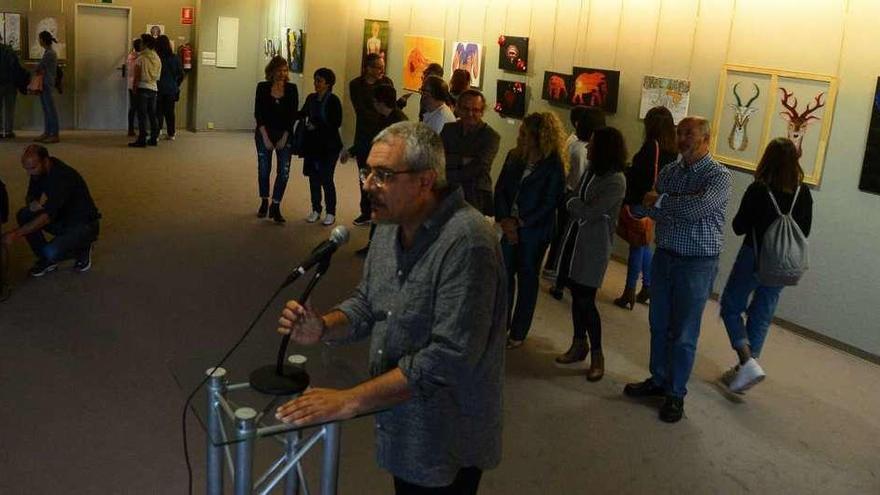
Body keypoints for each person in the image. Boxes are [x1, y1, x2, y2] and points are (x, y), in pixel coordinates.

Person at [274, 122, 506, 495]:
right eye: (368, 172)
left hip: (445, 435)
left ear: (425, 181)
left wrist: (351, 400)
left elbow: (449, 359)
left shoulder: (468, 243)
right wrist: (324, 327)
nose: (367, 184)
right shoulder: (388, 225)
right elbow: (369, 301)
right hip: (401, 419)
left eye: (383, 175)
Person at [623, 116, 732, 423]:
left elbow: (697, 209)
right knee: (658, 325)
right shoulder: (671, 171)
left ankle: (675, 393)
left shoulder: (718, 176)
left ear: (706, 138)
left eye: (689, 133)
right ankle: (658, 380)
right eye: (679, 133)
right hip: (664, 258)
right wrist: (653, 203)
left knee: (684, 333)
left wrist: (661, 201)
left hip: (697, 264)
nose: (681, 138)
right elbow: (647, 208)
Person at [719, 137, 813, 393]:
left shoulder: (759, 189)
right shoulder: (802, 192)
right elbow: (805, 230)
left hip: (754, 257)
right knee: (762, 313)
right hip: (783, 264)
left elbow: (739, 227)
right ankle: (744, 370)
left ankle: (747, 361)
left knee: (730, 306)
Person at [553, 127, 627, 381]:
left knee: (587, 300)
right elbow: (575, 199)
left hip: (595, 246)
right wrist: (576, 204)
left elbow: (588, 211)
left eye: (592, 143)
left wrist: (574, 204)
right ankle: (578, 343)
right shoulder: (592, 170)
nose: (587, 147)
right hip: (577, 238)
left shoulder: (616, 180)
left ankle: (597, 354)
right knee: (576, 295)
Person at [494, 112, 566, 349]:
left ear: (540, 137)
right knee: (504, 276)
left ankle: (518, 331)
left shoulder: (553, 165)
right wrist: (505, 219)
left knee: (527, 277)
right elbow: (501, 188)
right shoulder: (514, 156)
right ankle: (500, 326)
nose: (520, 136)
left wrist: (520, 223)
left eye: (526, 134)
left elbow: (549, 203)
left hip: (534, 230)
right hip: (510, 225)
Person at [612, 106, 679, 309]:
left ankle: (629, 291)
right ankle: (647, 287)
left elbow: (640, 175)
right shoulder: (672, 148)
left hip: (641, 200)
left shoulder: (652, 146)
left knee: (637, 244)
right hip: (656, 202)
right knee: (644, 242)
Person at [1, 145, 100, 277]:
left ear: (45, 161)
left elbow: (47, 217)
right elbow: (31, 195)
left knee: (51, 252)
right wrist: (31, 203)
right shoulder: (39, 171)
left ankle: (82, 248)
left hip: (83, 224)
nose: (29, 173)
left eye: (32, 168)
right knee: (24, 215)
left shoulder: (62, 177)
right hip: (61, 216)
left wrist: (15, 234)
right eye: (27, 169)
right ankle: (48, 261)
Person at [545, 106, 606, 298]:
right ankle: (558, 274)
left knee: (562, 237)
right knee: (566, 240)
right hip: (573, 198)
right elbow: (579, 179)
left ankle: (553, 268)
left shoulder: (574, 142)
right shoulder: (581, 150)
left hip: (570, 196)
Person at [354, 84, 410, 257]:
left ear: (379, 102)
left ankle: (382, 248)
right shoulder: (384, 118)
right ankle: (375, 246)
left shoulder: (399, 122)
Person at [343, 53, 393, 227]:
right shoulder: (356, 85)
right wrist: (379, 114)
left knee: (382, 175)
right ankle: (365, 211)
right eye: (378, 67)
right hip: (364, 133)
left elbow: (389, 108)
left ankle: (380, 210)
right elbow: (361, 111)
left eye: (382, 67)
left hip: (383, 135)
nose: (381, 71)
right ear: (368, 68)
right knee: (364, 175)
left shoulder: (386, 83)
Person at [254, 56, 299, 223]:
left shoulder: (292, 89)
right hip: (264, 133)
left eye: (285, 70)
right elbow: (258, 114)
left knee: (284, 172)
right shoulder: (262, 87)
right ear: (272, 71)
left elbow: (292, 116)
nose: (282, 73)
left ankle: (276, 204)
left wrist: (285, 138)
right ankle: (264, 201)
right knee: (264, 169)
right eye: (279, 70)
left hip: (284, 134)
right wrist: (265, 137)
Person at [441, 89, 500, 216]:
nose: (470, 113)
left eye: (475, 110)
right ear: (458, 109)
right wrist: (461, 160)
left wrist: (448, 173)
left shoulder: (491, 137)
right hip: (446, 193)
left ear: (482, 112)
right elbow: (438, 158)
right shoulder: (448, 130)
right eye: (466, 109)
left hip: (474, 196)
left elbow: (479, 168)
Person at [301, 67, 343, 227]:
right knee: (313, 178)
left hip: (329, 146)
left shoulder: (334, 100)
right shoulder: (311, 98)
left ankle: (331, 212)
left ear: (328, 83)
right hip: (313, 145)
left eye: (319, 81)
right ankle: (316, 209)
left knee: (326, 178)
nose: (316, 83)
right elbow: (303, 113)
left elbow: (336, 122)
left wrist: (317, 125)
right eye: (315, 80)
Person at [129, 34, 161, 148]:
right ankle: (154, 138)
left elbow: (137, 76)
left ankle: (142, 139)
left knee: (142, 115)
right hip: (153, 88)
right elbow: (158, 75)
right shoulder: (156, 57)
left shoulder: (141, 58)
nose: (140, 44)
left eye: (142, 42)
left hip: (142, 88)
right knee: (152, 114)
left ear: (146, 44)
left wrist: (134, 88)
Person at [156, 35, 184, 141]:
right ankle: (171, 133)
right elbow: (181, 74)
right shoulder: (175, 57)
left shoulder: (157, 57)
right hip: (171, 88)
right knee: (170, 112)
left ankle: (157, 131)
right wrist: (176, 84)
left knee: (158, 111)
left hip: (158, 87)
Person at [34, 31, 60, 144]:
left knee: (50, 110)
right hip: (44, 84)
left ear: (43, 40)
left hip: (47, 84)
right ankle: (47, 132)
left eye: (40, 39)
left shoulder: (50, 53)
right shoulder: (48, 52)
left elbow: (40, 67)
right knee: (46, 110)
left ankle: (54, 134)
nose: (39, 41)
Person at [0, 40, 21, 139]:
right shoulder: (9, 50)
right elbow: (16, 66)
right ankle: (8, 131)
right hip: (10, 84)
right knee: (10, 109)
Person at [125, 38, 142, 137]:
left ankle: (131, 129)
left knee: (133, 107)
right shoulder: (140, 57)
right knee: (140, 108)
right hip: (137, 85)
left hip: (131, 85)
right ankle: (139, 129)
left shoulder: (130, 56)